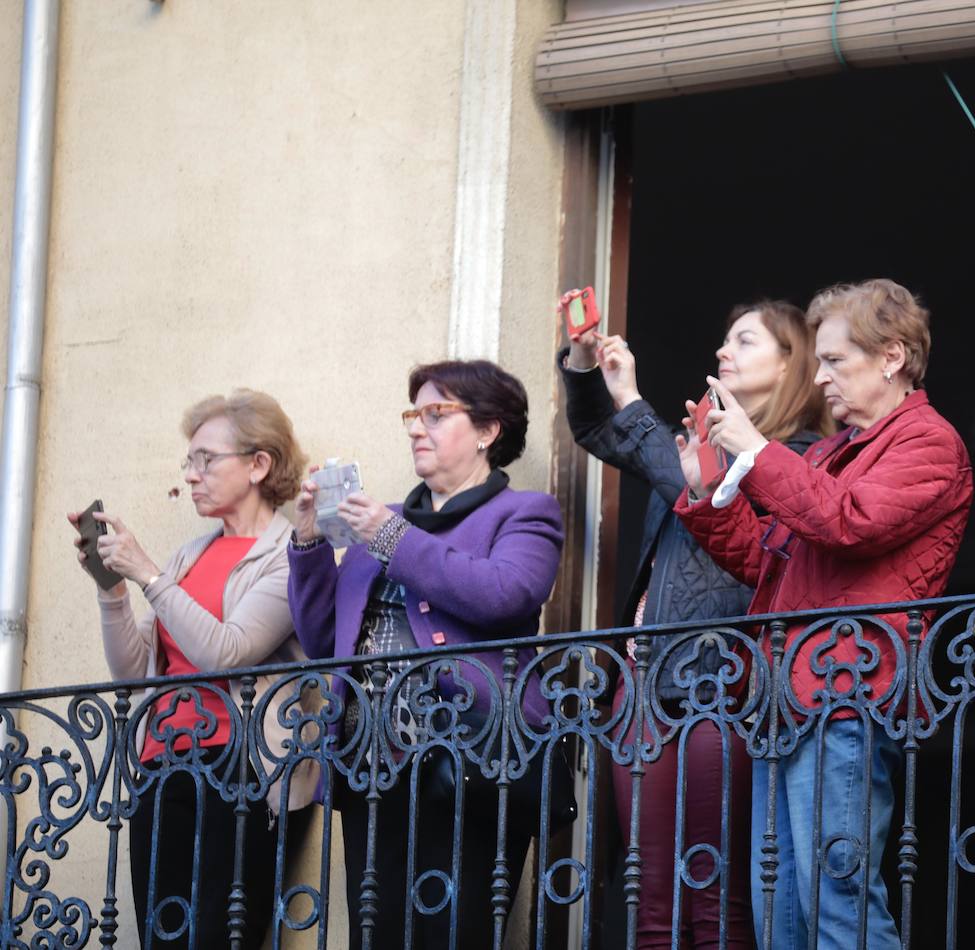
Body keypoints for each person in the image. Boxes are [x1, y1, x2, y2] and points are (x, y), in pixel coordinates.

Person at [673, 279, 973, 949]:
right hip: (789, 698)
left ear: (892, 356)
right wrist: (705, 492)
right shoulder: (832, 451)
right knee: (781, 918)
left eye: (836, 360)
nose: (820, 377)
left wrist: (756, 451)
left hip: (848, 696)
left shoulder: (929, 443)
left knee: (837, 907)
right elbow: (768, 562)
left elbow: (849, 523)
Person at [559, 299, 830, 949]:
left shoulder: (799, 458)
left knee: (714, 899)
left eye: (744, 340)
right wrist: (584, 360)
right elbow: (600, 429)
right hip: (645, 686)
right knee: (650, 901)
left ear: (792, 363)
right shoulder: (701, 443)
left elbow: (695, 490)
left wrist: (634, 401)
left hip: (720, 687)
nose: (722, 352)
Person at [287, 359, 563, 950]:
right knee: (377, 935)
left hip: (472, 757)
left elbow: (504, 594)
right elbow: (321, 642)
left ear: (489, 431)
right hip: (371, 765)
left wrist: (392, 538)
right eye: (415, 414)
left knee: (454, 932)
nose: (417, 428)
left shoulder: (525, 513)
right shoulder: (376, 527)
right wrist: (308, 543)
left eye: (437, 414)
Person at [71, 389, 316, 950]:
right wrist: (112, 589)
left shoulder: (287, 556)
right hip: (161, 766)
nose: (191, 475)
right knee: (163, 938)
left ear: (259, 464)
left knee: (216, 937)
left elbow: (226, 652)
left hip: (242, 771)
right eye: (190, 461)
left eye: (206, 459)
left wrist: (149, 575)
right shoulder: (189, 556)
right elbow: (135, 675)